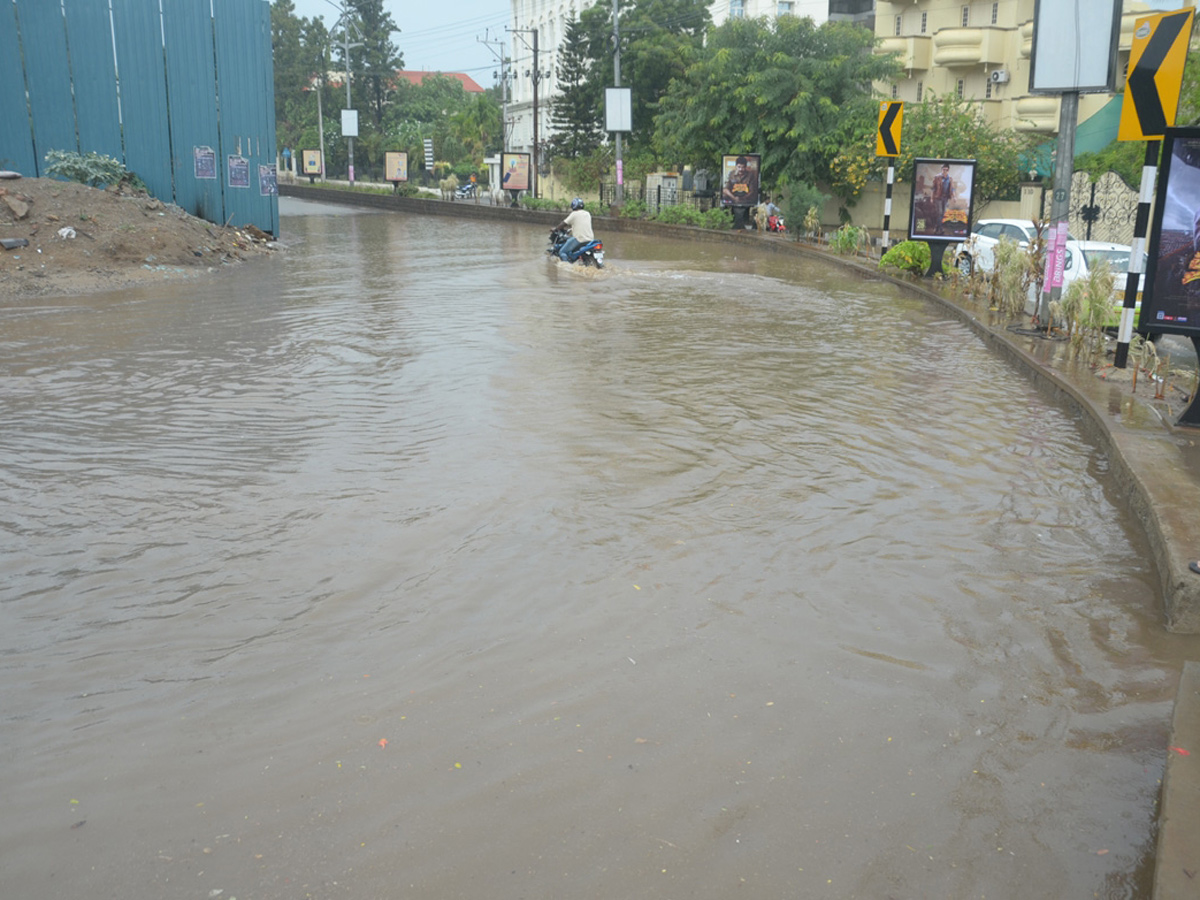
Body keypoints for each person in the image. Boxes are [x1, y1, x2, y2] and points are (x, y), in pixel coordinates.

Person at [557, 198, 594, 263]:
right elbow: (581, 224)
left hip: (579, 239)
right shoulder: (587, 213)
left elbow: (563, 224)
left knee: (562, 252)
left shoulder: (574, 214)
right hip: (590, 239)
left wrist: (555, 229)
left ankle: (566, 267)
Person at [931, 164, 955, 233]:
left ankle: (937, 227)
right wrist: (932, 198)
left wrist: (954, 197)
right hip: (938, 197)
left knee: (943, 213)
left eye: (946, 170)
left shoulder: (950, 178)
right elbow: (933, 188)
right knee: (939, 212)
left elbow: (952, 189)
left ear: (948, 170)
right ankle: (940, 228)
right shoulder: (937, 177)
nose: (945, 171)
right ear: (941, 170)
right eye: (943, 169)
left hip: (945, 198)